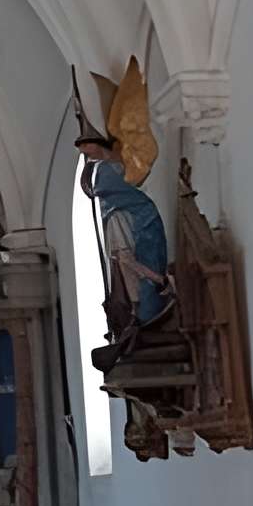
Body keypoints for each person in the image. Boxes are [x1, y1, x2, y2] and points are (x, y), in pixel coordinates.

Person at [77, 126, 173, 352]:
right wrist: (161, 281)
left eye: (88, 150)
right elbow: (124, 260)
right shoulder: (118, 214)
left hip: (144, 291)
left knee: (147, 315)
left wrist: (159, 281)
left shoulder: (126, 212)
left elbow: (127, 259)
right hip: (141, 294)